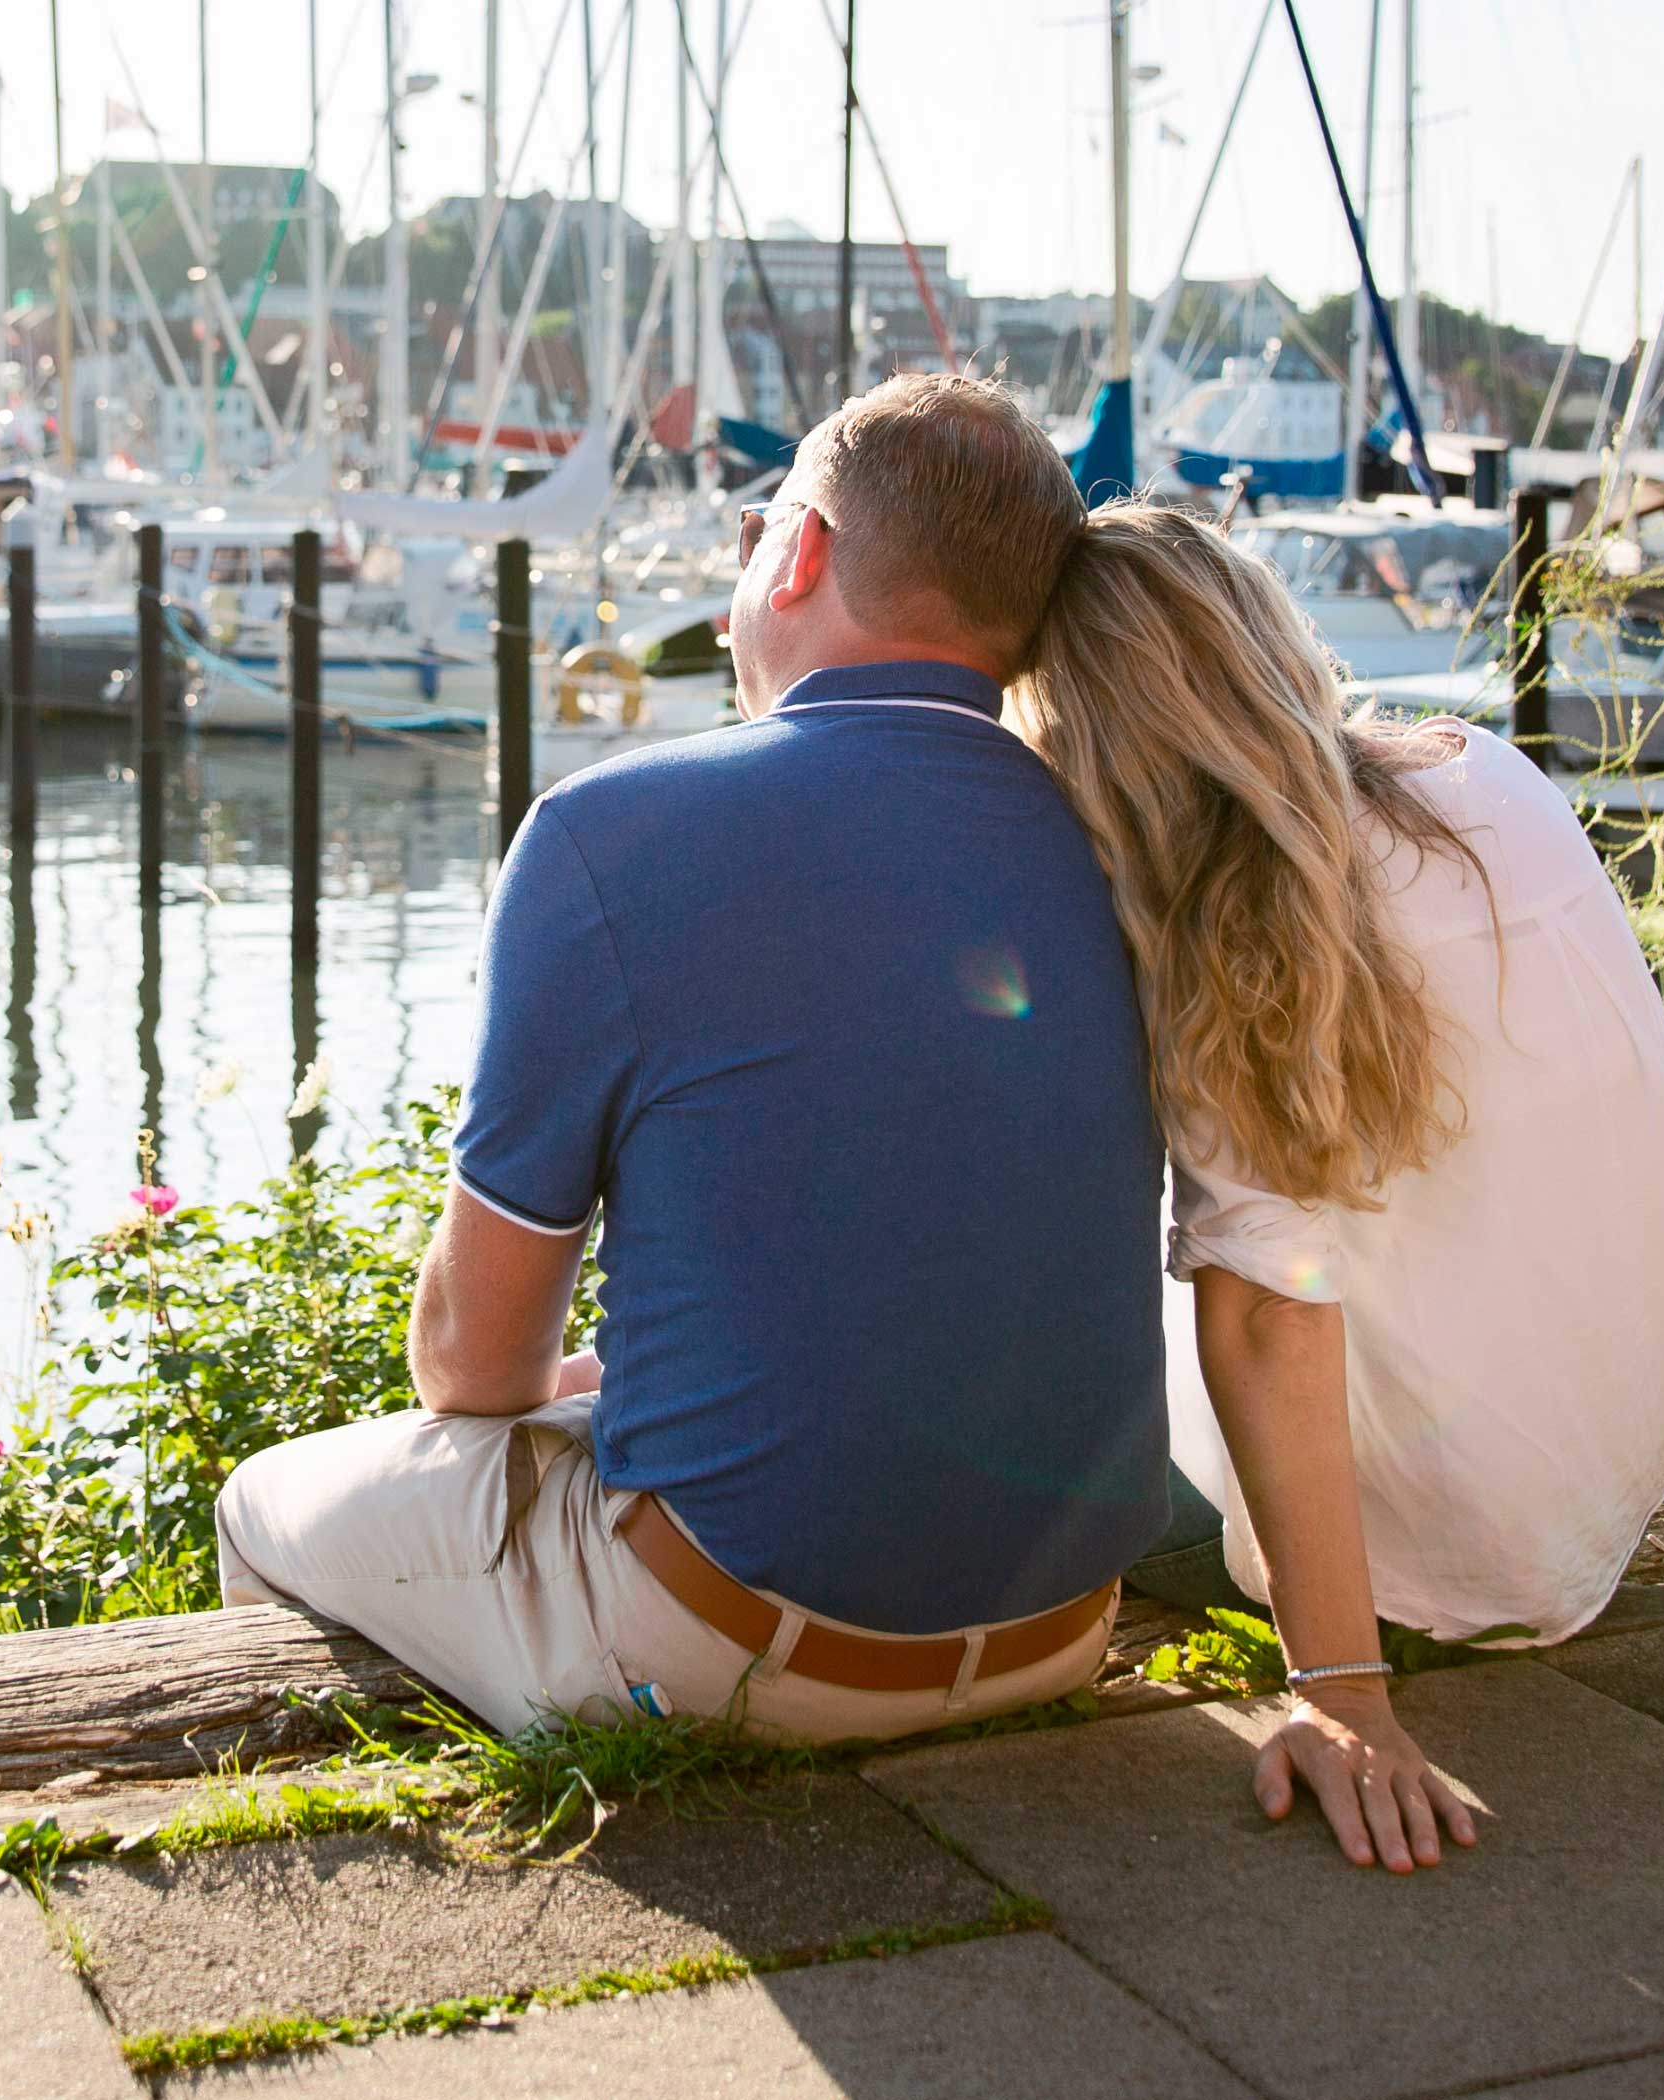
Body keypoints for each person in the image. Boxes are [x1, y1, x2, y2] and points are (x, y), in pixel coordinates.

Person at [215, 374, 1171, 1746]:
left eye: (755, 524)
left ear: (805, 550)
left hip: (736, 1659)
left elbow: (471, 1369)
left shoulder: (614, 832)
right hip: (1063, 1627)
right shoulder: (1121, 835)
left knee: (262, 1500)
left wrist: (590, 1384)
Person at [1009, 502, 1664, 1875]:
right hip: (1596, 1486)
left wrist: (1341, 1697)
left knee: (999, 1365)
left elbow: (1273, 1319)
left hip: (1444, 1559)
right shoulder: (1492, 778)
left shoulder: (1225, 933)